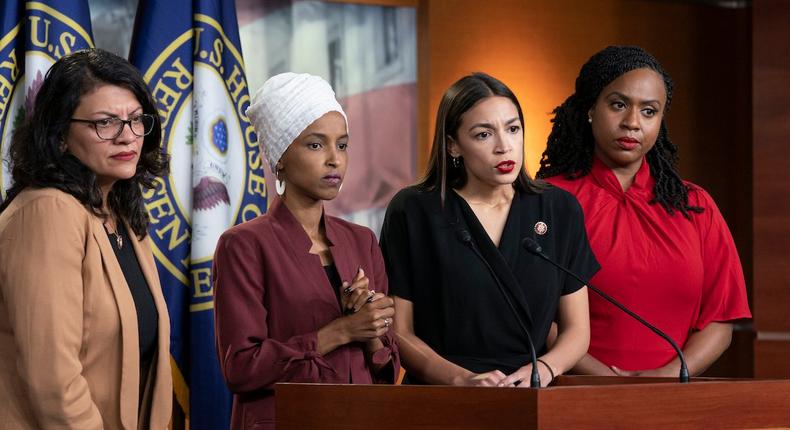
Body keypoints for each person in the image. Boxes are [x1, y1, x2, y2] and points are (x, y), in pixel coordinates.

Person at [537, 45, 751, 377]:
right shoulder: (548, 200)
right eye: (618, 105)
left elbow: (720, 320)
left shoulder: (695, 205)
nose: (633, 122)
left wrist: (664, 378)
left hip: (672, 402)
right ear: (590, 108)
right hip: (573, 396)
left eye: (649, 111)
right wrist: (604, 382)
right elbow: (537, 313)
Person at [379, 72, 597, 388]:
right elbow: (399, 331)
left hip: (533, 397)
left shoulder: (559, 209)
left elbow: (577, 331)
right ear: (453, 146)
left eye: (513, 129)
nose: (504, 146)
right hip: (441, 398)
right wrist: (460, 379)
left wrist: (544, 370)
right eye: (484, 135)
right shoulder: (413, 210)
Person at [213, 72, 399, 429]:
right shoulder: (243, 245)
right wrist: (342, 331)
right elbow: (241, 368)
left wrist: (372, 329)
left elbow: (385, 372)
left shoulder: (362, 241)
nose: (334, 160)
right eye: (316, 145)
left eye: (342, 145)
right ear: (280, 156)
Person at [0, 49, 172, 427]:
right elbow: (54, 385)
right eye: (105, 123)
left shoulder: (121, 213)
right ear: (60, 135)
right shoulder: (47, 212)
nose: (127, 136)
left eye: (135, 120)